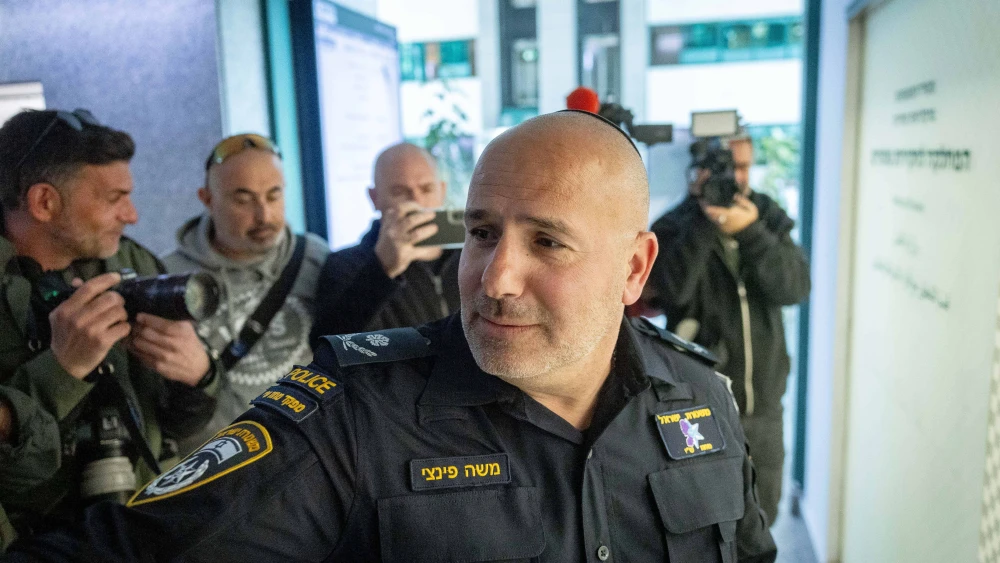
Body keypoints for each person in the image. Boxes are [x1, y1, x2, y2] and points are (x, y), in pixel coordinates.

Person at [5, 111, 776, 562]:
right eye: (480, 233)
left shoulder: (700, 398)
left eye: (548, 242)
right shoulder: (350, 418)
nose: (495, 277)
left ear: (635, 267)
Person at [0, 109, 218, 550]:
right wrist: (63, 367)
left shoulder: (130, 264)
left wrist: (198, 376)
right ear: (44, 202)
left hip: (145, 525)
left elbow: (181, 422)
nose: (133, 215)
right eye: (114, 198)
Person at [646, 134, 811, 525]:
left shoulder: (766, 216)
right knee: (701, 520)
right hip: (697, 405)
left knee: (761, 516)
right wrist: (706, 221)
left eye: (742, 166)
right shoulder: (674, 225)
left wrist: (751, 233)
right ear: (698, 170)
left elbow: (795, 288)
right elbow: (672, 291)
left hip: (763, 404)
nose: (735, 176)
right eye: (723, 166)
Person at [162, 134, 329, 455]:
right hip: (212, 466)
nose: (264, 215)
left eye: (274, 195)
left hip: (306, 458)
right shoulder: (168, 278)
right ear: (207, 199)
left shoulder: (317, 259)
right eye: (243, 200)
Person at [309, 142, 460, 341]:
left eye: (427, 189)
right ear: (374, 198)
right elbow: (325, 343)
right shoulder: (345, 265)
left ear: (442, 191)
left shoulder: (467, 257)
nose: (416, 202)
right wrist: (382, 268)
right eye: (399, 192)